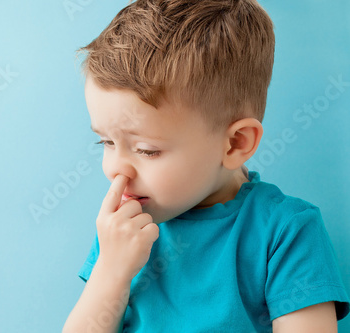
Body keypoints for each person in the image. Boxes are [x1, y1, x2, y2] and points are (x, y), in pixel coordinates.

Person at [62, 0, 350, 332]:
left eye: (147, 150)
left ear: (236, 143)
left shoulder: (284, 231)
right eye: (106, 143)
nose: (116, 170)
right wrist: (111, 269)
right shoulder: (121, 227)